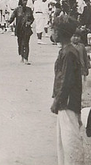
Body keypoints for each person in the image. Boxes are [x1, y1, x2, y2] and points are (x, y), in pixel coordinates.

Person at [50, 15, 85, 165]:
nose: (53, 33)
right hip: (67, 100)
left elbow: (66, 81)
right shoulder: (66, 51)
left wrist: (57, 101)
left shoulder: (68, 53)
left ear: (60, 33)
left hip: (68, 101)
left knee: (70, 138)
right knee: (64, 139)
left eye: (55, 30)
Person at [8, 0, 35, 65]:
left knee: (26, 43)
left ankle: (26, 58)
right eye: (23, 0)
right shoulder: (17, 10)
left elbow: (32, 18)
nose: (25, 2)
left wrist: (29, 22)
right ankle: (22, 56)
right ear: (20, 1)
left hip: (27, 29)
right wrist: (8, 22)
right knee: (20, 44)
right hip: (19, 29)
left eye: (26, 0)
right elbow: (12, 17)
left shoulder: (29, 10)